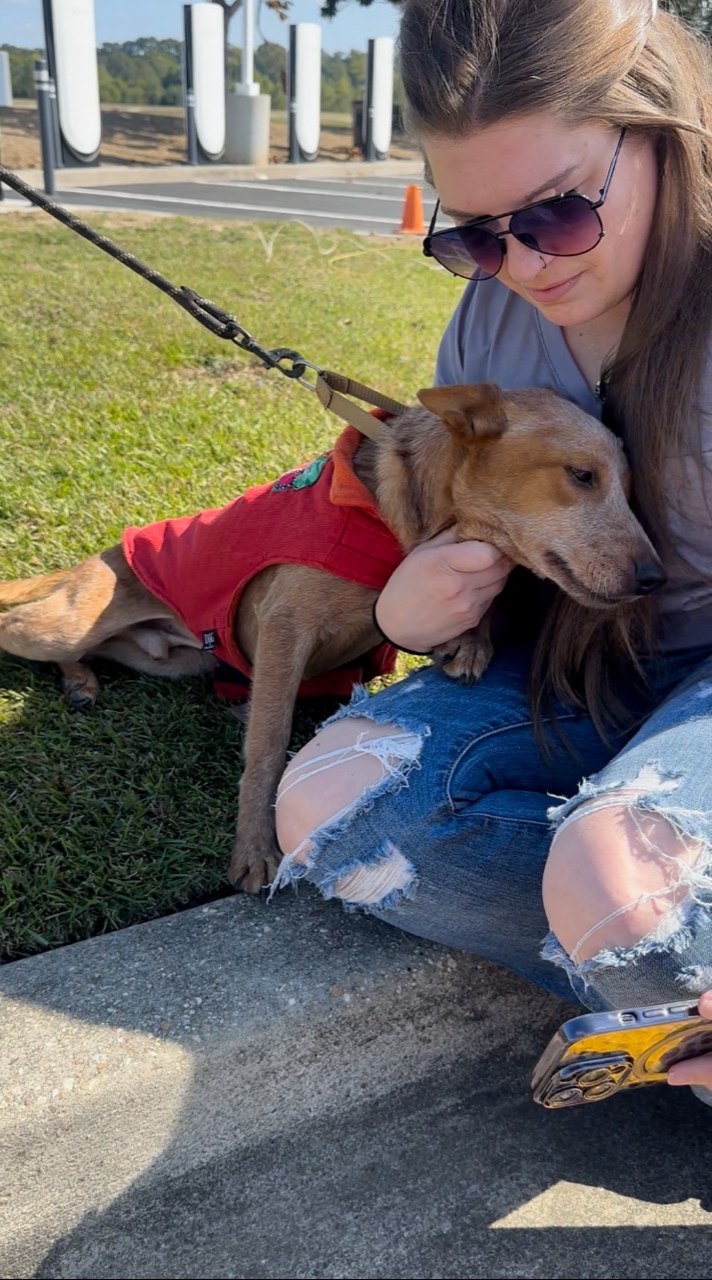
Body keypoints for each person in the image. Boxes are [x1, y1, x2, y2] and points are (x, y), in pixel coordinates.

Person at [274, 0, 712, 1101]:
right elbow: (463, 514)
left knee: (615, 866)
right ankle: (665, 990)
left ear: (656, 136)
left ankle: (651, 956)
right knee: (334, 802)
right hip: (573, 660)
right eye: (470, 232)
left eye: (555, 215)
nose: (515, 265)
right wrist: (411, 613)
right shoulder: (485, 322)